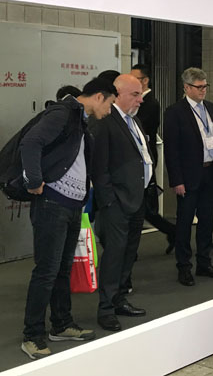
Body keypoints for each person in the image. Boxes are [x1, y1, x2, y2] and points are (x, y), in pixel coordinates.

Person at [19, 78, 116, 359]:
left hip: (72, 206)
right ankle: (32, 335)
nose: (109, 111)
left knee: (62, 270)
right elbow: (31, 142)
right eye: (110, 104)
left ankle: (61, 324)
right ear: (99, 97)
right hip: (52, 204)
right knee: (46, 272)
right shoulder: (63, 112)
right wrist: (34, 180)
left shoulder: (81, 119)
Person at [91, 74, 152, 332]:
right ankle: (105, 309)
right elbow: (99, 167)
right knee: (114, 255)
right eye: (135, 95)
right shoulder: (105, 121)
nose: (140, 100)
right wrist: (108, 201)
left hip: (136, 199)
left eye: (140, 94)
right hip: (116, 202)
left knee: (129, 253)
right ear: (117, 95)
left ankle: (119, 299)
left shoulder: (133, 120)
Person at [163, 67, 213, 287]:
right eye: (198, 87)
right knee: (184, 222)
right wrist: (176, 180)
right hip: (188, 175)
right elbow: (171, 149)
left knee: (207, 221)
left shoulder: (210, 107)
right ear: (186, 87)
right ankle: (184, 266)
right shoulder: (175, 112)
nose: (203, 90)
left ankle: (204, 263)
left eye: (205, 86)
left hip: (209, 172)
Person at [129, 64, 177, 254]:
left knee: (143, 207)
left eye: (135, 78)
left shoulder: (150, 103)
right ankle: (172, 231)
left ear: (145, 80)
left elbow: (143, 128)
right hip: (139, 159)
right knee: (144, 207)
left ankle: (172, 231)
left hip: (144, 158)